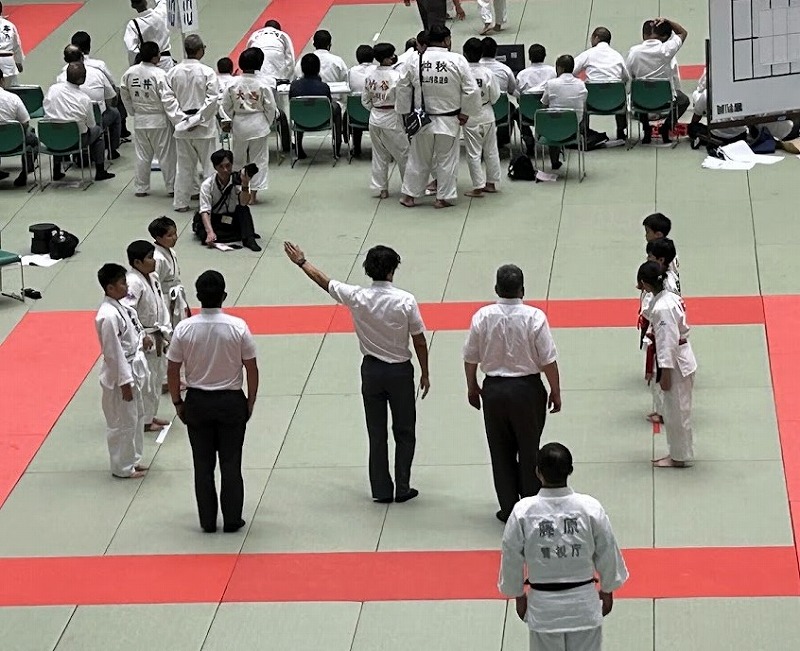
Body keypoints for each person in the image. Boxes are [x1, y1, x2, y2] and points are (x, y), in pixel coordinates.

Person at [284, 241, 430, 504]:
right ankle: (403, 486)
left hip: (371, 371)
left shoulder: (356, 296)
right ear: (392, 270)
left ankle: (381, 490)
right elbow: (419, 340)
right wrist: (425, 373)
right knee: (405, 431)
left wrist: (302, 262)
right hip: (399, 372)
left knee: (376, 432)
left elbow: (325, 282)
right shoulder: (405, 301)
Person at [499, 442, 629, 651]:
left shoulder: (523, 511)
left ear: (537, 472)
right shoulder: (590, 508)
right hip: (583, 605)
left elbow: (511, 555)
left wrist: (517, 593)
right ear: (570, 470)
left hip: (544, 609)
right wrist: (608, 588)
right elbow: (606, 549)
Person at [463, 264, 561, 522]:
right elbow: (548, 360)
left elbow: (470, 356)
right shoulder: (535, 317)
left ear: (496, 288)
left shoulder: (482, 317)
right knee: (529, 450)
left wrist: (472, 386)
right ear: (522, 289)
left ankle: (508, 508)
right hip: (527, 390)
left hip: (494, 391)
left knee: (500, 451)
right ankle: (530, 505)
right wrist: (555, 391)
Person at [167, 270, 259, 533]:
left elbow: (172, 369)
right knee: (231, 464)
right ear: (224, 295)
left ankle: (207, 521)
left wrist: (177, 402)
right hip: (231, 401)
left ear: (198, 296)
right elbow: (251, 369)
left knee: (202, 465)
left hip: (197, 402)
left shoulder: (184, 328)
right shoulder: (238, 327)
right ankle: (232, 519)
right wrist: (250, 402)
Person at [397, 24, 479, 209]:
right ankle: (443, 198)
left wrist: (405, 114)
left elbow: (402, 88)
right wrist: (465, 112)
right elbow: (471, 90)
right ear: (447, 40)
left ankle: (409, 196)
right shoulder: (457, 60)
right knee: (447, 160)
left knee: (418, 158)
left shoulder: (415, 60)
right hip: (448, 119)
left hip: (421, 119)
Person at [637, 261, 696, 468]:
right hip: (680, 357)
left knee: (677, 413)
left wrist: (665, 373)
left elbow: (667, 342)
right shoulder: (668, 297)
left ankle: (679, 457)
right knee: (676, 412)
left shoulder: (663, 308)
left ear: (645, 284)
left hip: (676, 364)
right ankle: (680, 452)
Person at [95, 263, 151, 479]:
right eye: (122, 283)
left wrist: (143, 338)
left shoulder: (121, 307)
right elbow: (113, 353)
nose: (127, 287)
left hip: (132, 367)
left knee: (135, 418)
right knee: (122, 424)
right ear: (110, 288)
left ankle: (133, 460)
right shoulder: (107, 316)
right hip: (120, 374)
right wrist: (124, 382)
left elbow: (133, 329)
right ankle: (122, 468)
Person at [122, 240, 172, 433]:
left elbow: (161, 305)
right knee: (146, 382)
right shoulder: (132, 283)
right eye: (150, 258)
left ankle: (150, 415)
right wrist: (142, 334)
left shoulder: (152, 276)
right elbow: (128, 312)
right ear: (137, 262)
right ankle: (143, 420)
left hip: (157, 332)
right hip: (145, 337)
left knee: (157, 377)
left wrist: (166, 330)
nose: (154, 261)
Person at [167, 34, 220, 213]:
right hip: (204, 128)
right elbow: (213, 99)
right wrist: (197, 119)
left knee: (183, 167)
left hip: (182, 128)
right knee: (209, 167)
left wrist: (182, 120)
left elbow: (168, 100)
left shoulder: (172, 72)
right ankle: (210, 203)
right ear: (200, 51)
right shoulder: (207, 72)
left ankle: (181, 203)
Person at [120, 41, 180, 198]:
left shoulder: (130, 73)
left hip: (140, 119)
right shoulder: (160, 74)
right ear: (155, 57)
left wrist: (132, 111)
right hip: (159, 119)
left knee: (142, 155)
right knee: (166, 155)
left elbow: (124, 94)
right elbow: (167, 99)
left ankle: (141, 187)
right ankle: (171, 187)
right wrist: (175, 119)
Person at [222, 47, 277, 204]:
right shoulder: (263, 84)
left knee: (238, 160)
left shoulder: (233, 84)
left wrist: (231, 119)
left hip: (239, 124)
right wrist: (266, 123)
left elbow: (225, 105)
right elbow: (270, 108)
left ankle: (239, 192)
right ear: (259, 64)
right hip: (258, 123)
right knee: (258, 161)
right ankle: (252, 195)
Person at [43, 62, 115, 181]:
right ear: (82, 79)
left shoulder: (53, 89)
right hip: (75, 140)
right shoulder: (84, 99)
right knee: (98, 131)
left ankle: (56, 170)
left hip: (51, 138)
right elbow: (91, 124)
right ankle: (100, 170)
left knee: (57, 127)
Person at [626, 18, 689, 145]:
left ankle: (646, 130)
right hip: (664, 99)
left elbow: (628, 76)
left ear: (644, 35)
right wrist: (668, 21)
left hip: (641, 99)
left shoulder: (634, 52)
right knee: (684, 100)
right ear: (662, 35)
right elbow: (682, 33)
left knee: (638, 93)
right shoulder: (667, 49)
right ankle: (666, 128)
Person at [639, 237, 680, 426]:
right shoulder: (662, 278)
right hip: (658, 330)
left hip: (662, 334)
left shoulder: (666, 289)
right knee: (658, 375)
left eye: (650, 256)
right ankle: (662, 410)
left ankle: (664, 413)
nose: (648, 259)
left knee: (660, 375)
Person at [361, 43, 409, 198]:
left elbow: (365, 100)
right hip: (391, 117)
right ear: (388, 59)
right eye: (392, 55)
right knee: (404, 154)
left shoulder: (370, 76)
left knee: (379, 154)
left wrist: (376, 109)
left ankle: (381, 189)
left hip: (375, 117)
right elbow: (403, 101)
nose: (395, 57)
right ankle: (409, 188)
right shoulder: (396, 77)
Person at [57, 45, 122, 158]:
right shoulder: (97, 73)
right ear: (82, 57)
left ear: (65, 59)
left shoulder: (60, 78)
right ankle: (112, 150)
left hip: (70, 122)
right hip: (95, 120)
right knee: (115, 113)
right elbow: (111, 96)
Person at [194, 149, 260, 251]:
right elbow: (205, 211)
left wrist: (245, 184)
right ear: (215, 167)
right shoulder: (207, 185)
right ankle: (241, 234)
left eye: (228, 166)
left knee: (244, 210)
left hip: (232, 216)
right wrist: (210, 232)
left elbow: (244, 203)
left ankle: (249, 239)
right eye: (221, 166)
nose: (225, 170)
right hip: (215, 218)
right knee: (204, 235)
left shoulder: (237, 180)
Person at [71, 30, 130, 138]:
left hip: (73, 114)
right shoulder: (99, 66)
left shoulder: (66, 70)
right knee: (118, 94)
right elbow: (112, 86)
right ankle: (121, 131)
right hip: (96, 114)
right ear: (89, 47)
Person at [574, 26, 629, 141]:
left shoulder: (588, 54)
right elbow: (625, 78)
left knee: (582, 96)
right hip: (616, 101)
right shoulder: (617, 56)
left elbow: (571, 70)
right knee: (620, 91)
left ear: (596, 38)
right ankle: (621, 130)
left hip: (593, 101)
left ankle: (584, 131)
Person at [462, 37, 501, 198]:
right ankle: (491, 183)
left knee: (473, 152)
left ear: (464, 53)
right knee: (491, 150)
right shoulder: (487, 73)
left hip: (469, 115)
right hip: (487, 112)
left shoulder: (462, 73)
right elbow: (496, 96)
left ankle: (478, 186)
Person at [289, 53, 343, 159]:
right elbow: (328, 107)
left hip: (301, 119)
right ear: (318, 69)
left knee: (299, 110)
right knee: (336, 107)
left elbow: (291, 104)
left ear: (302, 69)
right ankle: (337, 147)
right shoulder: (324, 87)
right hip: (322, 120)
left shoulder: (294, 86)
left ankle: (298, 147)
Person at [540, 54, 587, 170]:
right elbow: (583, 103)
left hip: (554, 128)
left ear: (560, 68)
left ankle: (554, 161)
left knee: (551, 119)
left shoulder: (551, 84)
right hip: (573, 128)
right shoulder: (581, 84)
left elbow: (543, 104)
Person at [149, 216, 190, 332]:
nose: (175, 237)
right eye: (169, 235)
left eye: (175, 233)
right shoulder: (157, 258)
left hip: (175, 295)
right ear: (158, 238)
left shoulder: (171, 251)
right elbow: (154, 285)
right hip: (164, 299)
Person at [688, 70, 747, 149]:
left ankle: (705, 139)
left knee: (692, 128)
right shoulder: (743, 91)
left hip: (717, 135)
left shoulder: (707, 93)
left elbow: (696, 117)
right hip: (739, 136)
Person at [0, 69, 37, 186]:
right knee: (33, 139)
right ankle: (25, 172)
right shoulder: (13, 98)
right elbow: (25, 122)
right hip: (14, 141)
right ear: (2, 80)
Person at [124, 0, 173, 71]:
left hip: (149, 65)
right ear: (145, 2)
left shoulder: (133, 24)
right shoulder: (161, 13)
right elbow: (163, 1)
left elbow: (132, 50)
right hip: (167, 63)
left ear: (133, 6)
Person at [347, 45, 377, 158]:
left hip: (356, 114)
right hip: (375, 112)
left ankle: (356, 147)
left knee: (354, 110)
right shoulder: (378, 71)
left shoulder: (351, 71)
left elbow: (350, 88)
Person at [0, 2, 24, 87]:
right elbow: (16, 45)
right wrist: (18, 62)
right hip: (8, 63)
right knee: (9, 90)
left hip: (8, 62)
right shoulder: (9, 25)